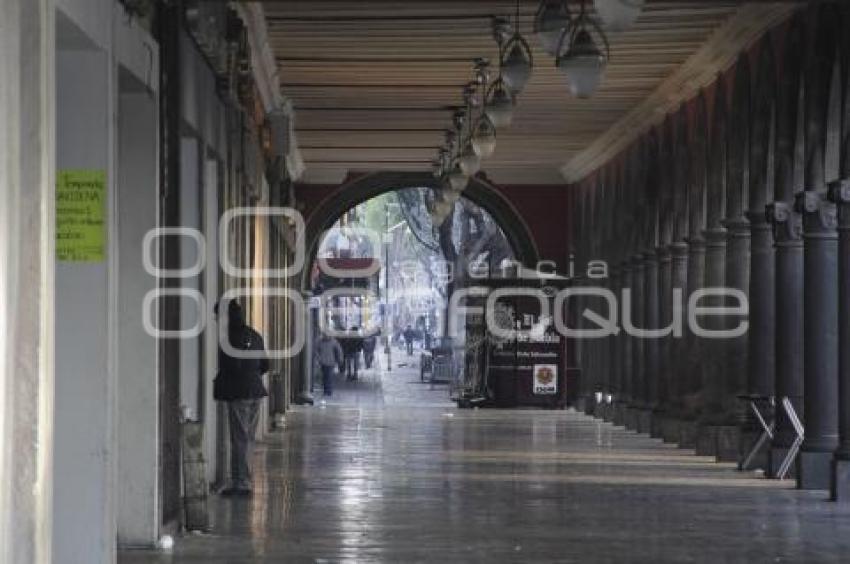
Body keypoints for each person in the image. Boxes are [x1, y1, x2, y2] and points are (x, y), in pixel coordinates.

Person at [213, 300, 268, 497]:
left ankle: (241, 483)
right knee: (247, 439)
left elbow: (229, 367)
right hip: (256, 392)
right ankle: (243, 480)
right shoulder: (254, 334)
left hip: (239, 394)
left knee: (239, 439)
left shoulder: (227, 337)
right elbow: (265, 365)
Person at [315, 332, 343, 396]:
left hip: (331, 362)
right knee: (324, 377)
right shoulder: (319, 342)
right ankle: (326, 390)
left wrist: (340, 359)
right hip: (323, 362)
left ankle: (329, 391)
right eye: (324, 335)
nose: (326, 337)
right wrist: (318, 358)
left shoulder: (334, 342)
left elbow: (339, 351)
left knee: (329, 377)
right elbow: (316, 350)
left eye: (327, 335)